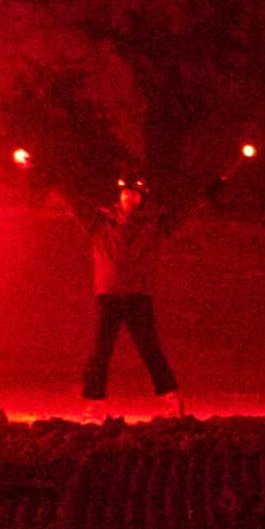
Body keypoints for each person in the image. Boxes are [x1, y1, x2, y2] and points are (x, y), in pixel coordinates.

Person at [68, 172, 223, 419]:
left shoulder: (155, 224)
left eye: (136, 193)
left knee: (149, 349)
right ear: (119, 194)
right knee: (100, 351)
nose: (130, 196)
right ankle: (94, 404)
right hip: (108, 295)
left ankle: (171, 399)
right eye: (127, 191)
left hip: (138, 296)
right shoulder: (100, 221)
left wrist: (208, 193)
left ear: (142, 199)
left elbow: (187, 212)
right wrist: (43, 176)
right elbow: (71, 202)